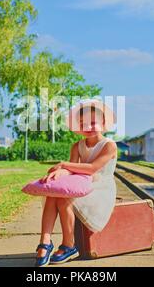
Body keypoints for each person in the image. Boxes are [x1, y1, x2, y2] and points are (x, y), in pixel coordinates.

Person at [35, 99, 117, 267]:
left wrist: (64, 164)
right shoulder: (77, 146)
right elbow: (73, 170)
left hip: (100, 188)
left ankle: (69, 244)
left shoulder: (109, 146)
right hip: (82, 184)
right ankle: (45, 240)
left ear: (103, 123)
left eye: (93, 122)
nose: (88, 127)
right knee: (54, 193)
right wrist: (59, 173)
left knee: (65, 198)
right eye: (83, 123)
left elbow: (92, 168)